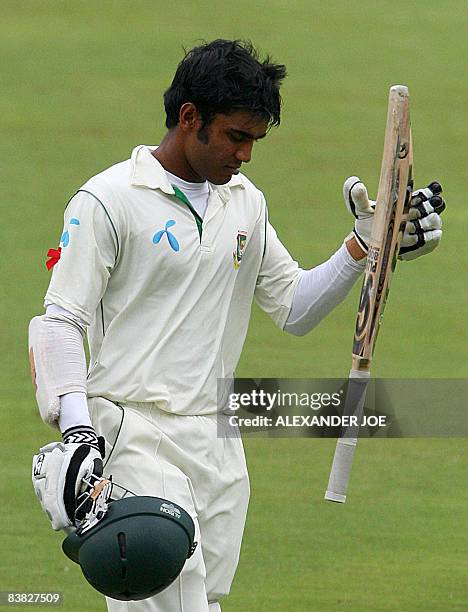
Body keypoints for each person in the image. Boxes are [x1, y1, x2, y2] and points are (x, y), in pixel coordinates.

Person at [28, 39, 444, 611]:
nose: (246, 155)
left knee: (206, 600)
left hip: (216, 441)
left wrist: (365, 246)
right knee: (175, 600)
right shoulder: (108, 200)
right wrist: (78, 432)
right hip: (132, 432)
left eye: (255, 140)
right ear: (189, 117)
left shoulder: (245, 203)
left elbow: (295, 308)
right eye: (237, 136)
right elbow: (60, 322)